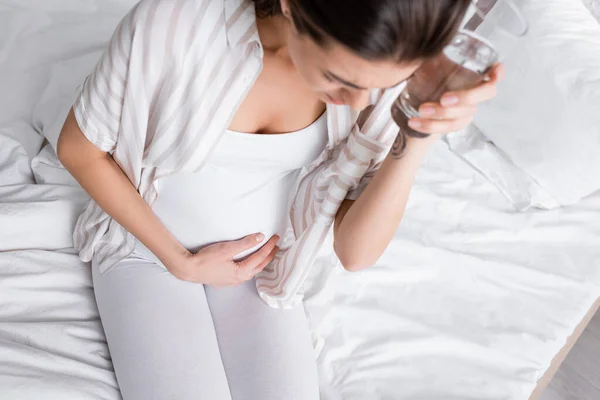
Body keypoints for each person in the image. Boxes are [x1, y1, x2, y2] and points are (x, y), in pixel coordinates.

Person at [57, 0, 502, 399]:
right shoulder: (172, 22)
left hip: (264, 268)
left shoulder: (377, 69)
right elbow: (80, 149)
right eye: (337, 78)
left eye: (374, 85)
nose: (360, 102)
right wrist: (180, 260)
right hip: (147, 253)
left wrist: (418, 131)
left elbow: (356, 252)